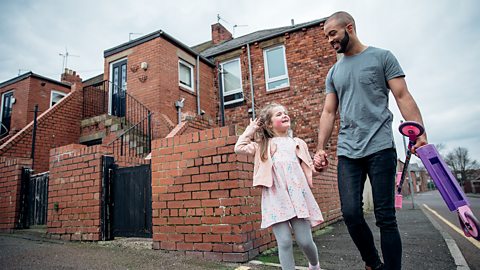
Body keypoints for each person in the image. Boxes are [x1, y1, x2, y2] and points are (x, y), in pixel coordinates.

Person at [314, 11, 428, 270]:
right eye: (326, 36)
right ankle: (373, 263)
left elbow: (402, 96)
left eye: (333, 34)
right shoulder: (334, 72)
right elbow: (328, 112)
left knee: (385, 217)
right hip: (348, 150)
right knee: (351, 214)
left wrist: (420, 133)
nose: (330, 40)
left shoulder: (382, 57)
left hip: (380, 147)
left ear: (349, 28)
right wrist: (320, 148)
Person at [235, 103, 324, 270]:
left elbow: (310, 170)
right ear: (269, 124)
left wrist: (319, 166)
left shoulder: (297, 143)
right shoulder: (262, 145)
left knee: (305, 241)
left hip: (298, 197)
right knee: (284, 242)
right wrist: (251, 129)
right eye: (278, 114)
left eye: (285, 113)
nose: (284, 115)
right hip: (275, 198)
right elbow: (238, 147)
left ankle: (314, 265)